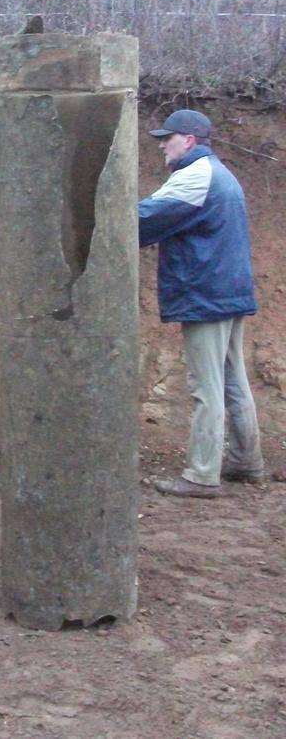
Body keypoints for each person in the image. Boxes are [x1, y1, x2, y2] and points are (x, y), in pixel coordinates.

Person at [138, 109, 265, 498]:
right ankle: (246, 462)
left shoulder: (195, 177)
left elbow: (140, 221)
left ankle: (201, 475)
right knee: (232, 381)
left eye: (168, 137)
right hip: (226, 292)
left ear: (189, 140)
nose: (162, 144)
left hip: (206, 295)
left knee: (206, 387)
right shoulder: (220, 173)